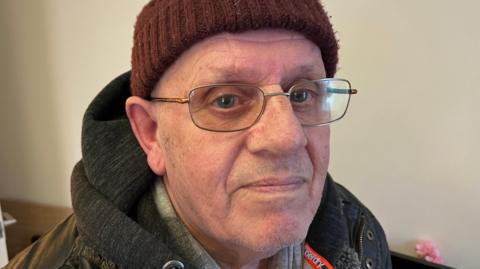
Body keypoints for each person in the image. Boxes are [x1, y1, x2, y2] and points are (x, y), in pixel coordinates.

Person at [5, 0, 391, 268]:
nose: (286, 137)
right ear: (150, 134)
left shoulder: (358, 234)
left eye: (303, 94)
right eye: (225, 101)